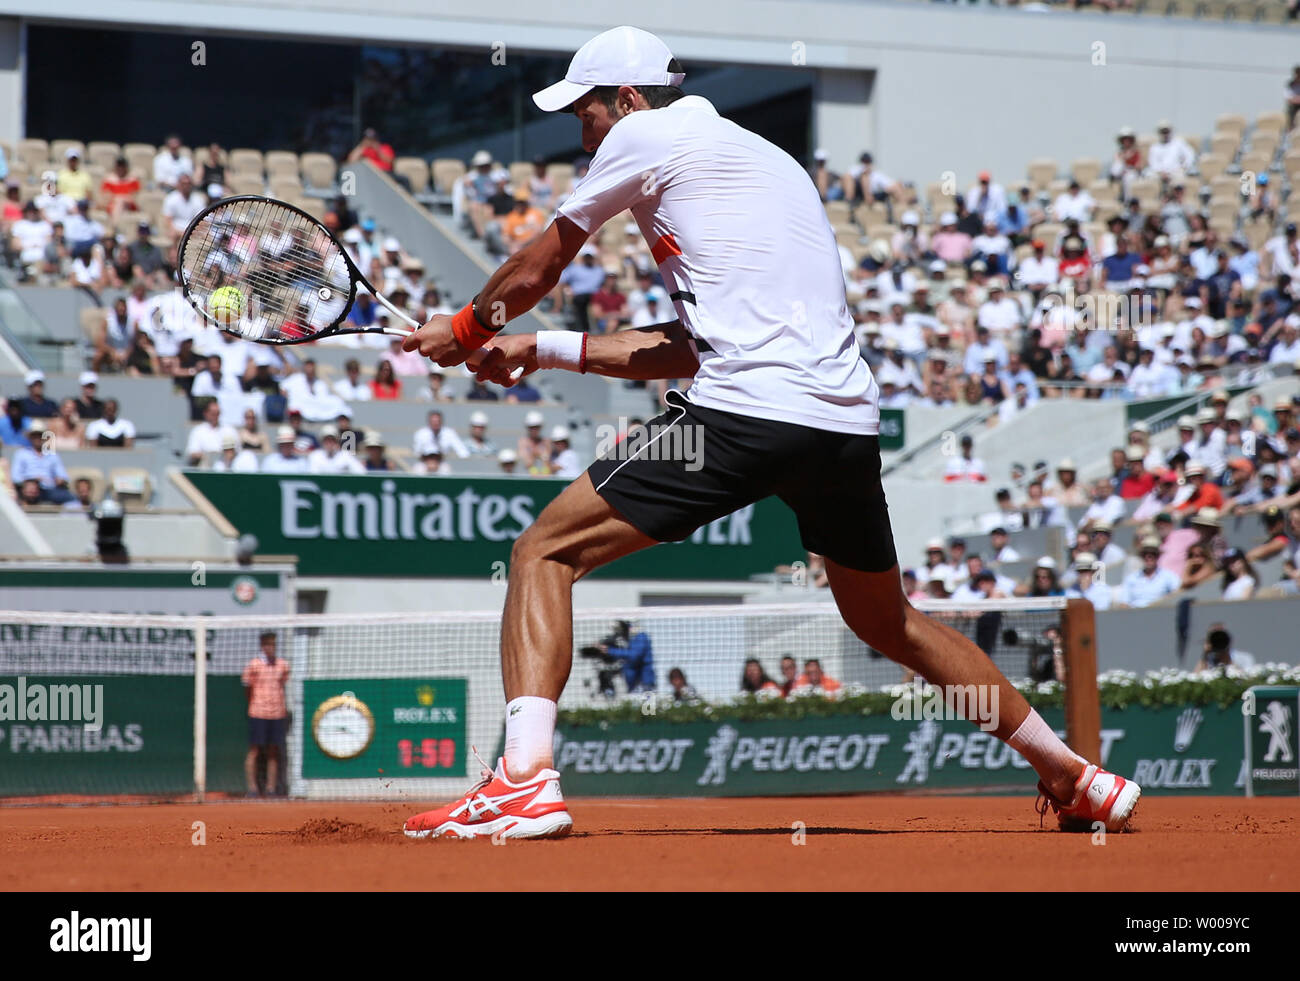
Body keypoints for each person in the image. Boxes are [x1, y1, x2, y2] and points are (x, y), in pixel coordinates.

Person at [398, 26, 1139, 840]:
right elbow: (687, 346)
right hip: (842, 426)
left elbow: (540, 265)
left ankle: (524, 781)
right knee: (889, 620)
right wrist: (543, 348)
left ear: (632, 100)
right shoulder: (766, 161)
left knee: (543, 551)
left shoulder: (644, 136)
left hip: (744, 415)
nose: (583, 133)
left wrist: (468, 327)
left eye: (587, 112)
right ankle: (1074, 775)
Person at [241, 632, 290, 797]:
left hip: (277, 714)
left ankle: (271, 788)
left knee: (273, 751)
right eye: (268, 645)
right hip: (258, 712)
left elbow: (283, 685)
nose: (271, 648)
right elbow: (247, 689)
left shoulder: (282, 665)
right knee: (254, 751)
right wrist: (256, 704)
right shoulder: (254, 665)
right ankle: (253, 789)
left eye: (273, 645)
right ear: (262, 646)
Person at [11, 420, 74, 503]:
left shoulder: (53, 455)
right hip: (27, 490)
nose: (37, 438)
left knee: (71, 498)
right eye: (35, 436)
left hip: (49, 490)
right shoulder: (21, 454)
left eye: (40, 436)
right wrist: (31, 481)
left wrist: (60, 480)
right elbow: (16, 477)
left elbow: (63, 476)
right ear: (30, 438)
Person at [1119, 538, 1180, 608]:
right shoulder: (1131, 578)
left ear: (1158, 556)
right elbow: (1124, 603)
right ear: (1141, 556)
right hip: (1135, 615)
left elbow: (1178, 595)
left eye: (1153, 554)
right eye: (1145, 554)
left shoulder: (1169, 576)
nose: (1149, 557)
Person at [604, 620, 654, 692]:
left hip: (643, 684)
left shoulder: (641, 637)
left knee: (646, 702)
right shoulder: (630, 640)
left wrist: (610, 651)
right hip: (632, 684)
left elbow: (634, 656)